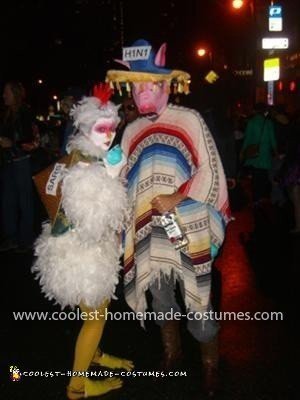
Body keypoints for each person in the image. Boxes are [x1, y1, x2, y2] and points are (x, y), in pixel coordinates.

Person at [106, 39, 230, 397]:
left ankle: (210, 367)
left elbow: (211, 168)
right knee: (161, 297)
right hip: (148, 231)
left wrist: (179, 195)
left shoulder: (188, 120)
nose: (143, 92)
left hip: (187, 227)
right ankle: (172, 353)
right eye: (136, 85)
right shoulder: (130, 131)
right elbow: (125, 180)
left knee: (198, 299)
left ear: (166, 84)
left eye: (150, 84)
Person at [32, 83, 133, 399]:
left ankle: (96, 355)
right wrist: (114, 177)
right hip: (83, 255)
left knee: (90, 315)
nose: (109, 135)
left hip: (69, 249)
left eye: (112, 128)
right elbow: (93, 225)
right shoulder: (88, 169)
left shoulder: (78, 156)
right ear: (85, 128)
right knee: (96, 319)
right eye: (101, 129)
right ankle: (77, 386)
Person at [0, 81, 39, 252]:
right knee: (8, 201)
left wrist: (12, 143)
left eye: (6, 92)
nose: (3, 95)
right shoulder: (6, 114)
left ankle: (26, 239)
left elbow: (30, 140)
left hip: (21, 161)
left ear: (14, 94)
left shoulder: (25, 112)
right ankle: (12, 237)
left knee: (25, 201)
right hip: (7, 162)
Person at [240, 103, 277, 205]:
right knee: (264, 176)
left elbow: (247, 139)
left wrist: (243, 151)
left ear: (255, 111)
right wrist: (276, 151)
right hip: (265, 154)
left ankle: (256, 199)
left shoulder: (251, 122)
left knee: (256, 176)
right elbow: (273, 139)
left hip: (255, 154)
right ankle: (262, 197)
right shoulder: (269, 123)